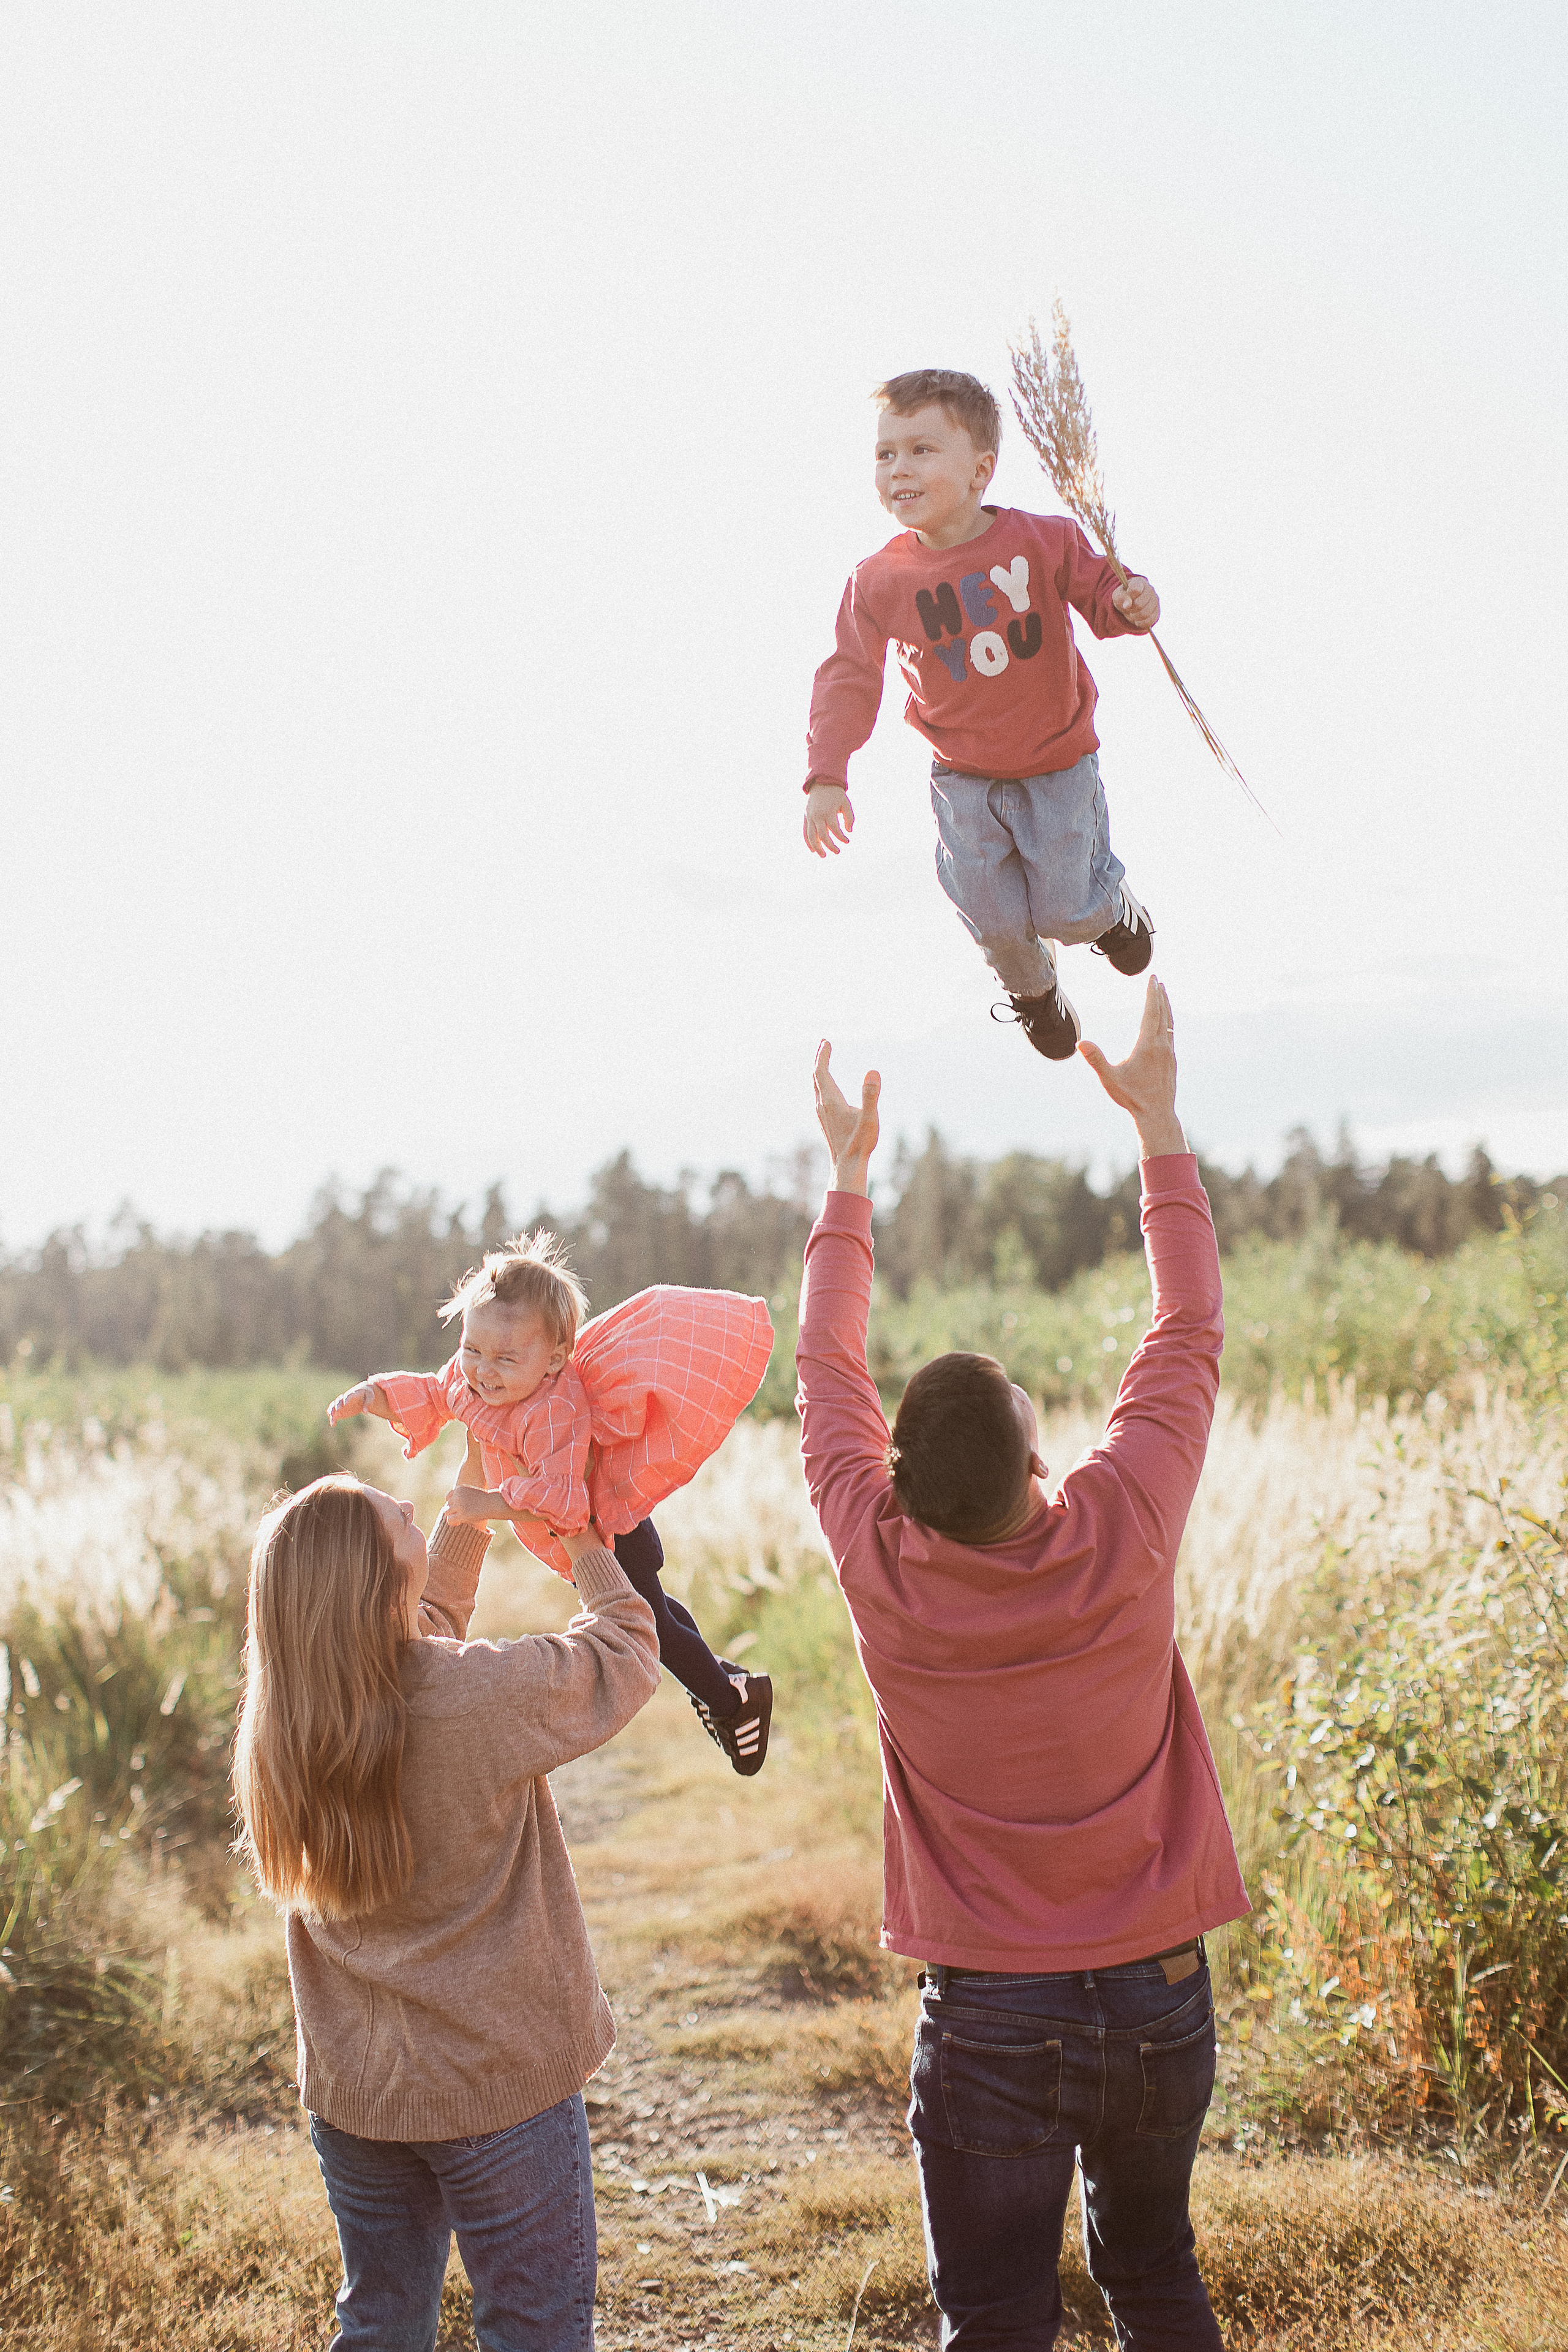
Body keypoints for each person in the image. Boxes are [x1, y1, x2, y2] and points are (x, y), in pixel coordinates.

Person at [796, 978, 1248, 2349]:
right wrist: (1156, 1125)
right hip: (1155, 1994)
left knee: (993, 2321)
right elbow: (1183, 1329)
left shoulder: (881, 1563)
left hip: (988, 2012)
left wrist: (847, 1185)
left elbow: (824, 1372)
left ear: (895, 1480)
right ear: (1038, 1453)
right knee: (1155, 2282)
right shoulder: (1120, 1523)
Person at [233, 1475, 660, 2351]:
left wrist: (461, 1530)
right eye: (391, 1512)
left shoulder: (292, 1718)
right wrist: (583, 1543)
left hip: (361, 2096)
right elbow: (623, 1654)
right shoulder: (475, 1696)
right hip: (494, 2085)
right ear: (378, 1580)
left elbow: (412, 1646)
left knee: (380, 2323)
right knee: (533, 2327)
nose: (404, 1500)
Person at [801, 367, 1161, 1064]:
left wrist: (1131, 601)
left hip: (1056, 761)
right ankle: (1034, 993)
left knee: (1066, 910)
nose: (898, 469)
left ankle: (1112, 911)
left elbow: (1103, 596)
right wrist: (827, 774)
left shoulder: (1042, 540)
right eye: (885, 454)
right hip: (962, 776)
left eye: (921, 450)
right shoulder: (879, 581)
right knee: (992, 917)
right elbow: (847, 676)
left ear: (980, 471)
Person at [328, 1230, 774, 1774]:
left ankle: (734, 1703)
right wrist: (375, 1394)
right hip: (579, 1539)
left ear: (555, 1359)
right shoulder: (478, 1379)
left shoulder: (555, 1410)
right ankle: (724, 1677)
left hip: (611, 1530)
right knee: (655, 1609)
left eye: (505, 1358)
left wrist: (485, 1504)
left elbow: (563, 1503)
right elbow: (432, 1390)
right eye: (471, 1350)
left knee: (649, 1623)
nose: (483, 1371)